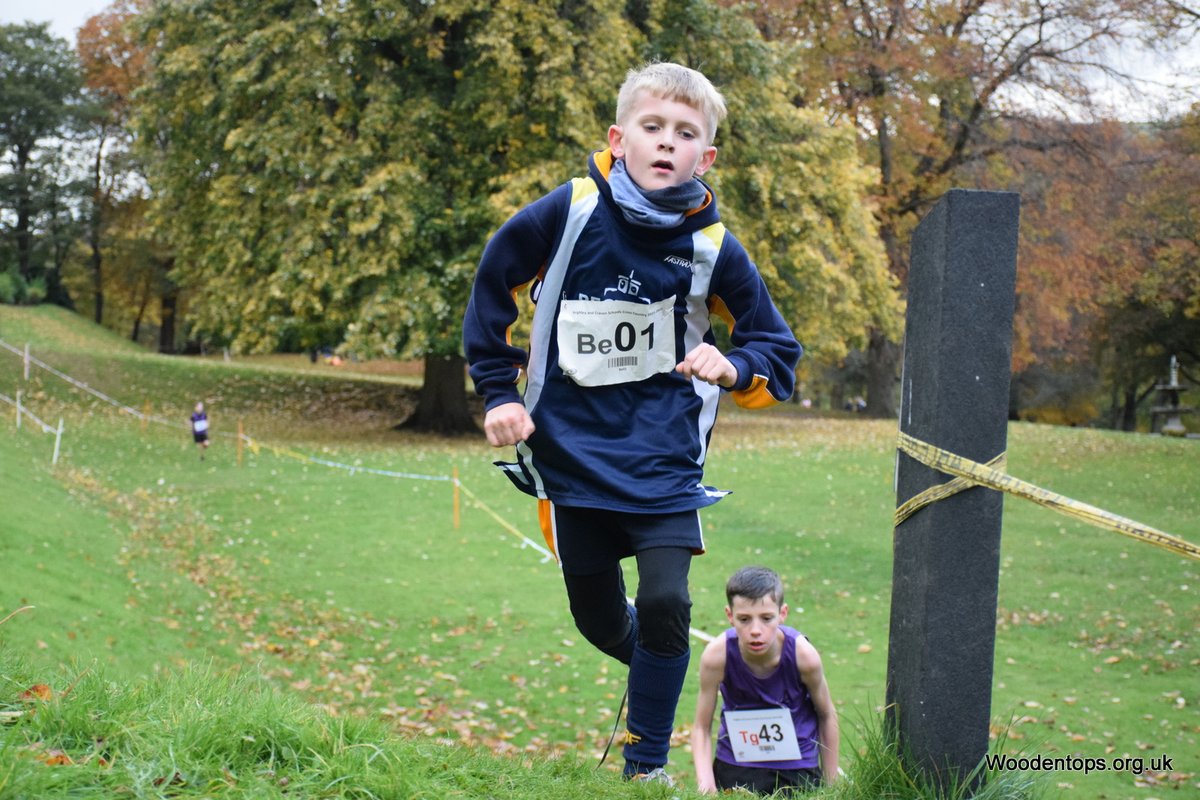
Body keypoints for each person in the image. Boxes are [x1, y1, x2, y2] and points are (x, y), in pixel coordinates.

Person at [462, 62, 802, 783]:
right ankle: (665, 667)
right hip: (572, 459)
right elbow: (494, 279)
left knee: (666, 601)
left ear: (706, 157)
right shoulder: (570, 210)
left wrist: (733, 365)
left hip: (664, 465)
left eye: (685, 133)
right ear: (619, 139)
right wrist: (498, 393)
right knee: (599, 621)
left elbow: (777, 348)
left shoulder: (714, 247)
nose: (667, 142)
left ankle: (646, 768)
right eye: (653, 127)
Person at [691, 566, 839, 795]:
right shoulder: (716, 656)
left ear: (782, 613)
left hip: (798, 768)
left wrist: (832, 787)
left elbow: (827, 714)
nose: (755, 630)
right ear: (730, 616)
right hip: (736, 765)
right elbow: (701, 727)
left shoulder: (804, 656)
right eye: (744, 619)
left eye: (766, 618)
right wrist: (706, 785)